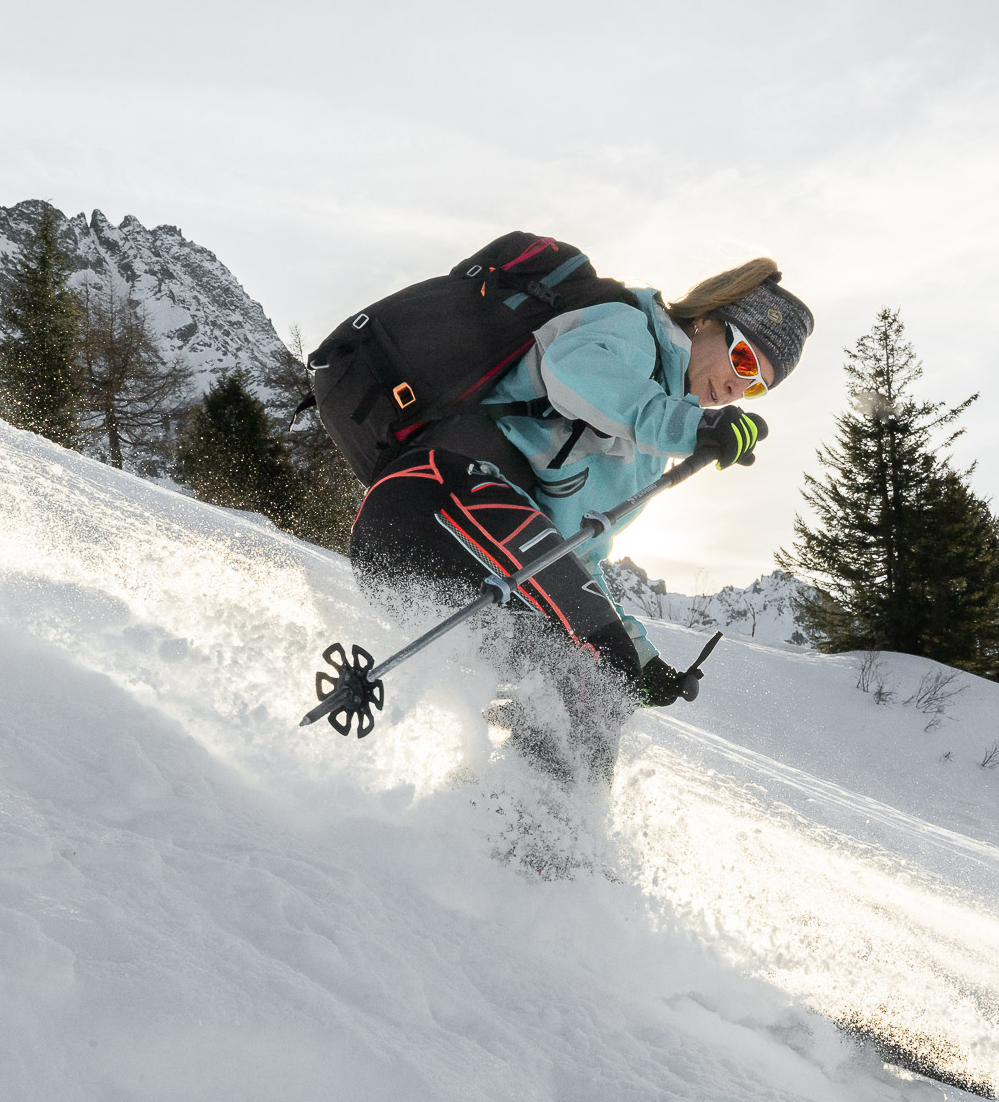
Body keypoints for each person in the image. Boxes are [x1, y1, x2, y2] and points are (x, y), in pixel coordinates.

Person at [347, 257, 813, 784]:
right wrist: (692, 427)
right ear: (707, 319)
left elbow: (575, 555)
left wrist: (640, 661)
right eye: (744, 361)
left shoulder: (649, 446)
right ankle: (539, 843)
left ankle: (510, 843)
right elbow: (572, 370)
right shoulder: (630, 326)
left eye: (756, 388)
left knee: (602, 683)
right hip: (439, 494)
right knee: (590, 659)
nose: (738, 389)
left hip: (467, 553)